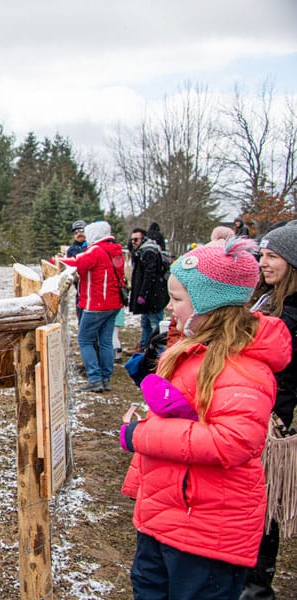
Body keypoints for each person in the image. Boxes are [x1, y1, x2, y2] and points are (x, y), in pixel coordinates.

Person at [119, 238, 290, 599]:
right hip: (164, 517)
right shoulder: (193, 352)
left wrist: (141, 435)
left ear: (210, 304)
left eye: (178, 299)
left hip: (207, 533)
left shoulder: (242, 368)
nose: (170, 307)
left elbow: (232, 441)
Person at [243, 222, 297, 599]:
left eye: (272, 256)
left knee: (263, 505)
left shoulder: (290, 313)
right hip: (257, 408)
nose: (263, 262)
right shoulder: (270, 298)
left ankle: (256, 587)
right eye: (262, 254)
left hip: (274, 417)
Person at [60, 220, 125, 392]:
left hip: (96, 303)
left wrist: (56, 259)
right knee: (105, 342)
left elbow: (75, 263)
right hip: (114, 303)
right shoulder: (116, 250)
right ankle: (105, 378)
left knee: (85, 339)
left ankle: (94, 378)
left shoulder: (96, 250)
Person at [129, 227, 170, 354]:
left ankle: (159, 353)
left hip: (154, 296)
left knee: (155, 325)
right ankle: (145, 349)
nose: (133, 242)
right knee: (145, 323)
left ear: (143, 238)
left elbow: (149, 275)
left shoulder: (149, 252)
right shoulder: (141, 251)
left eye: (136, 239)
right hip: (149, 297)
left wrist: (143, 294)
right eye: (132, 240)